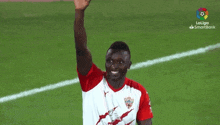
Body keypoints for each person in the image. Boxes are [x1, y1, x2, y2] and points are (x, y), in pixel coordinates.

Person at [73, 0, 153, 124]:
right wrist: (79, 11)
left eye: (120, 62)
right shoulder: (92, 81)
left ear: (129, 65)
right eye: (109, 61)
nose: (113, 66)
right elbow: (81, 50)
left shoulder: (138, 92)